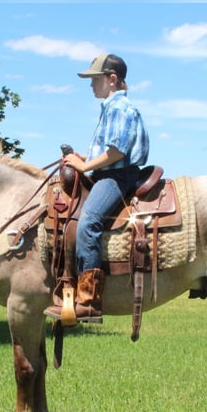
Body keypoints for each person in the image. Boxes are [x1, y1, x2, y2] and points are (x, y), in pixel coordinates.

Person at [45, 53, 150, 324]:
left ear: (112, 79)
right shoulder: (111, 107)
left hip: (118, 176)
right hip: (109, 172)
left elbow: (116, 152)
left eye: (95, 79)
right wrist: (84, 159)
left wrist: (84, 165)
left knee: (88, 222)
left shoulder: (119, 108)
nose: (91, 85)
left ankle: (89, 301)